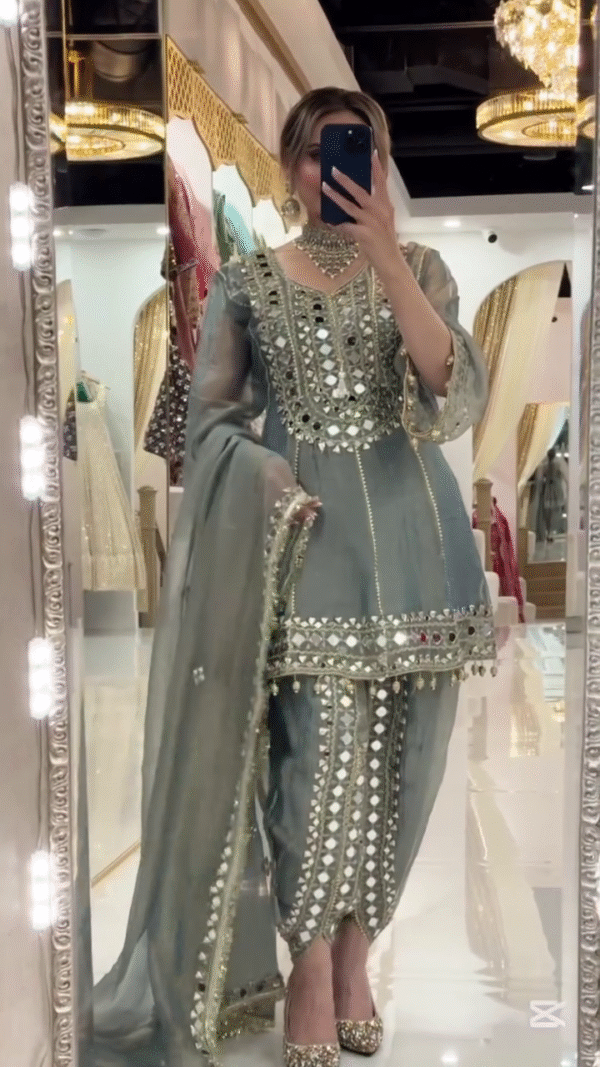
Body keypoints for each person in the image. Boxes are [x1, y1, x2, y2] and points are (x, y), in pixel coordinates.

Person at [91, 87, 495, 1067]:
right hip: (307, 547)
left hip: (419, 547)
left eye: (355, 150)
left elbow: (449, 391)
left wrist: (388, 255)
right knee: (310, 762)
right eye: (316, 152)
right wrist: (269, 477)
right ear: (289, 167)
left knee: (409, 763)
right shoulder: (247, 284)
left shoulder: (423, 269)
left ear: (381, 163)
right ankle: (310, 964)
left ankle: (360, 955)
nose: (333, 169)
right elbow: (211, 428)